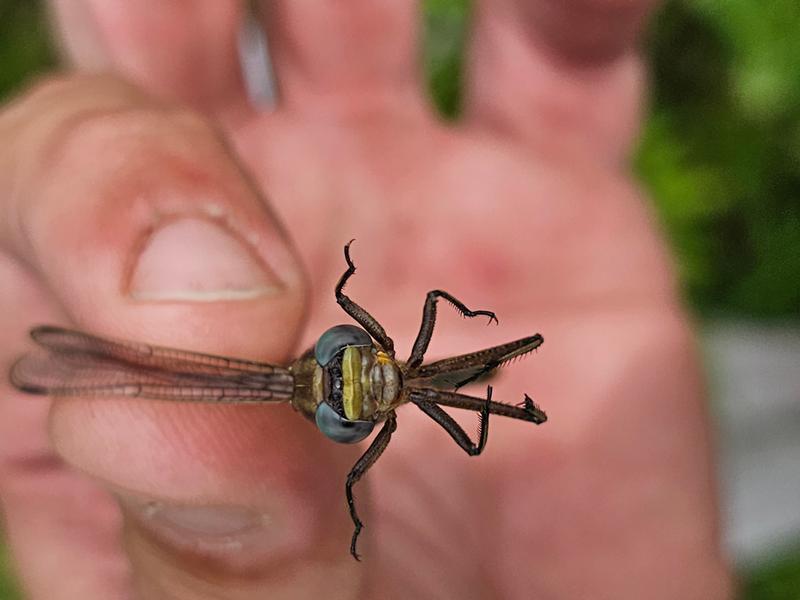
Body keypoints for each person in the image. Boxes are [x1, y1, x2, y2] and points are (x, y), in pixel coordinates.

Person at [0, 2, 732, 598]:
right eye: (352, 393)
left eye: (355, 369)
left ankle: (509, 381)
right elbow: (410, 439)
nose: (371, 381)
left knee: (478, 392)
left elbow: (416, 372)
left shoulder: (388, 374)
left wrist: (430, 319)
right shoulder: (360, 387)